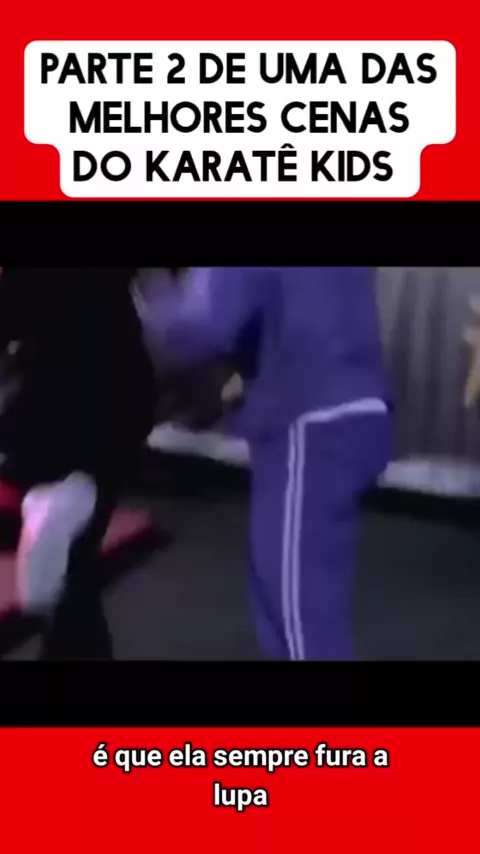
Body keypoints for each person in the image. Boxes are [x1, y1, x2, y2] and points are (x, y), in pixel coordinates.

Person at [134, 267, 392, 661]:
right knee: (282, 598)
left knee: (300, 619)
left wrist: (149, 283)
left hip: (309, 422)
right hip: (348, 410)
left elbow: (198, 326)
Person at [0, 267, 156, 659]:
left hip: (73, 417)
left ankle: (63, 496)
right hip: (115, 404)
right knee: (75, 574)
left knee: (68, 578)